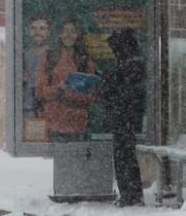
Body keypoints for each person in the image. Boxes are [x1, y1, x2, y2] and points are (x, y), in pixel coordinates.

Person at [102, 28, 146, 207]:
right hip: (127, 119)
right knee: (125, 156)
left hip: (124, 119)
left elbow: (122, 93)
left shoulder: (129, 65)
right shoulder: (133, 62)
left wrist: (108, 82)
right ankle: (131, 194)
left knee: (124, 157)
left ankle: (130, 195)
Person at [35, 16, 96, 143]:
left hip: (77, 125)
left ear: (79, 34)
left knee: (78, 161)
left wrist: (71, 93)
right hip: (53, 124)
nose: (68, 35)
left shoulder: (84, 59)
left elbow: (91, 95)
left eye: (73, 31)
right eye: (65, 31)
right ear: (59, 34)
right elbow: (40, 91)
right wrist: (58, 89)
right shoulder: (49, 56)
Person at [23, 14, 51, 119]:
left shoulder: (55, 57)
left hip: (48, 113)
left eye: (42, 29)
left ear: (49, 33)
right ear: (27, 31)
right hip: (24, 112)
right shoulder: (19, 56)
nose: (37, 32)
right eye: (33, 28)